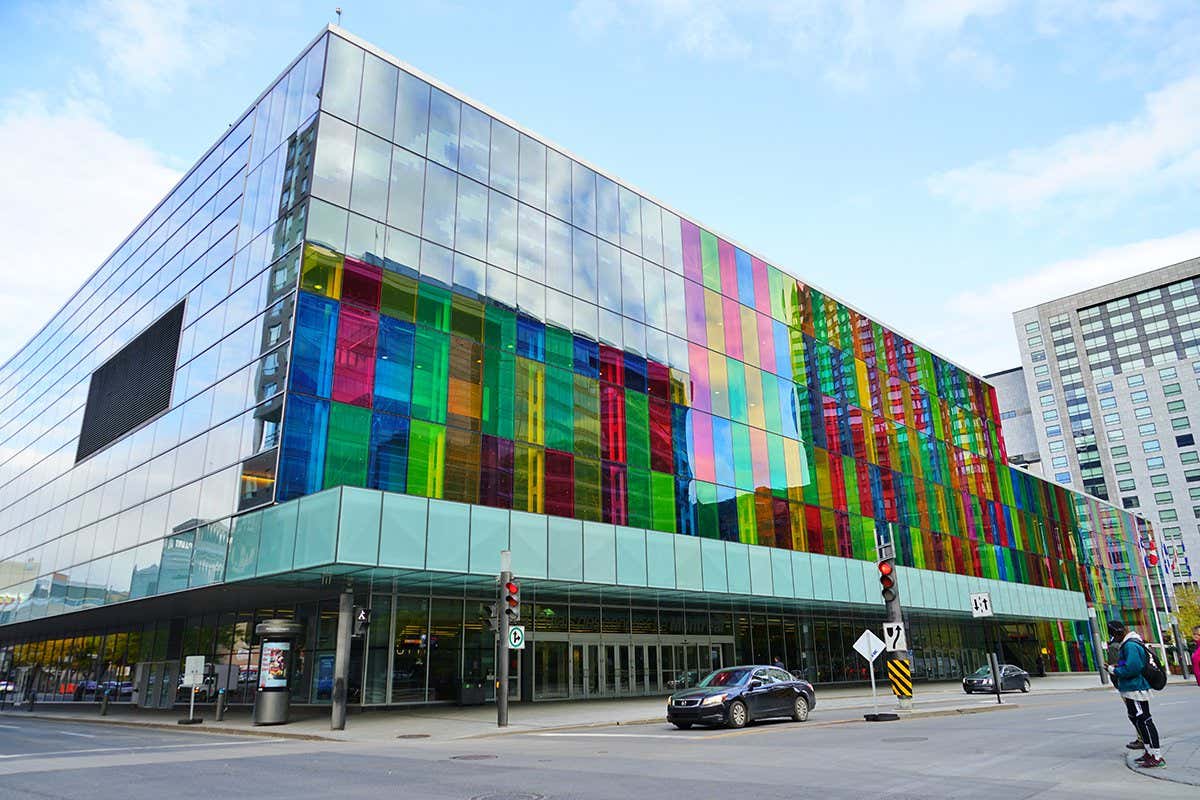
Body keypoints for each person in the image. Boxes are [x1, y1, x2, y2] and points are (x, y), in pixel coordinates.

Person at [1106, 619, 1164, 768]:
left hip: (1135, 688)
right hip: (1131, 688)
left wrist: (1114, 670)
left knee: (1144, 719)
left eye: (1113, 635)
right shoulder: (1130, 643)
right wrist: (1119, 665)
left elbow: (1133, 667)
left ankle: (1156, 756)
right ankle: (1149, 751)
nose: (1113, 639)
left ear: (1118, 633)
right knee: (1137, 719)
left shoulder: (1130, 645)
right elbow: (1130, 664)